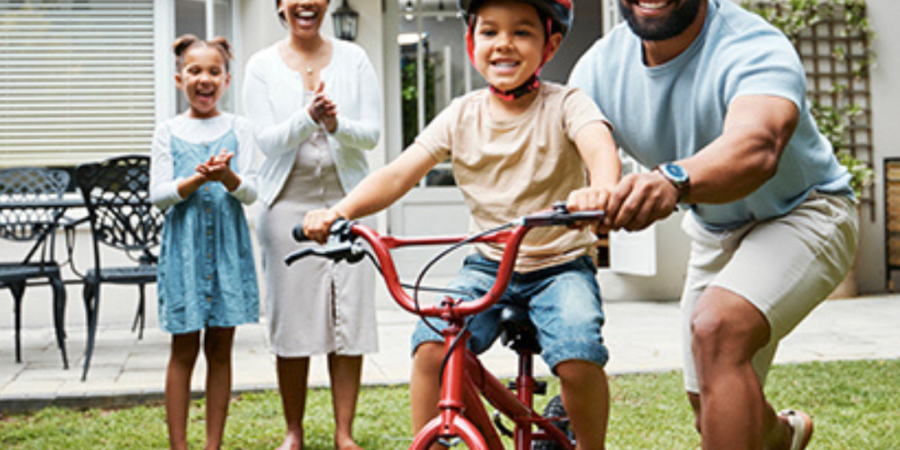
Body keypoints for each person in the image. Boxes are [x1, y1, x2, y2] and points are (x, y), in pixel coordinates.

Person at [305, 1, 621, 448]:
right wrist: (340, 212)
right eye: (490, 32)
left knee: (577, 353)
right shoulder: (461, 114)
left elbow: (598, 146)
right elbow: (399, 173)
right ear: (473, 40)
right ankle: (431, 441)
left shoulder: (567, 103)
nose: (504, 44)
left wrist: (601, 190)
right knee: (432, 347)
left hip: (559, 264)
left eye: (522, 33)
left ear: (549, 44)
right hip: (488, 264)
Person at [569, 1, 859, 449]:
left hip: (806, 210)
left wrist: (673, 179)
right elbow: (562, 147)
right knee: (711, 409)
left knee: (717, 329)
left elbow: (757, 147)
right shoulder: (598, 70)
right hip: (715, 229)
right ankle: (783, 436)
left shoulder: (752, 44)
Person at [241, 0, 382, 449]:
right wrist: (307, 118)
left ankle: (345, 433)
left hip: (349, 202)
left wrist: (337, 123)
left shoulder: (354, 59)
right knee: (292, 322)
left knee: (350, 318)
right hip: (287, 206)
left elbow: (372, 134)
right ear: (281, 5)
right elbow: (263, 140)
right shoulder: (261, 65)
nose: (308, 3)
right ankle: (293, 431)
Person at [150, 34, 260, 450]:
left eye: (213, 71)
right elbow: (158, 195)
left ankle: (213, 445)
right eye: (194, 71)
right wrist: (194, 181)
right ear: (180, 79)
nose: (204, 79)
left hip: (228, 253)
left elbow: (251, 191)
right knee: (183, 349)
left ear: (226, 79)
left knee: (220, 349)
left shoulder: (240, 128)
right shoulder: (168, 131)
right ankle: (179, 446)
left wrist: (228, 178)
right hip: (184, 254)